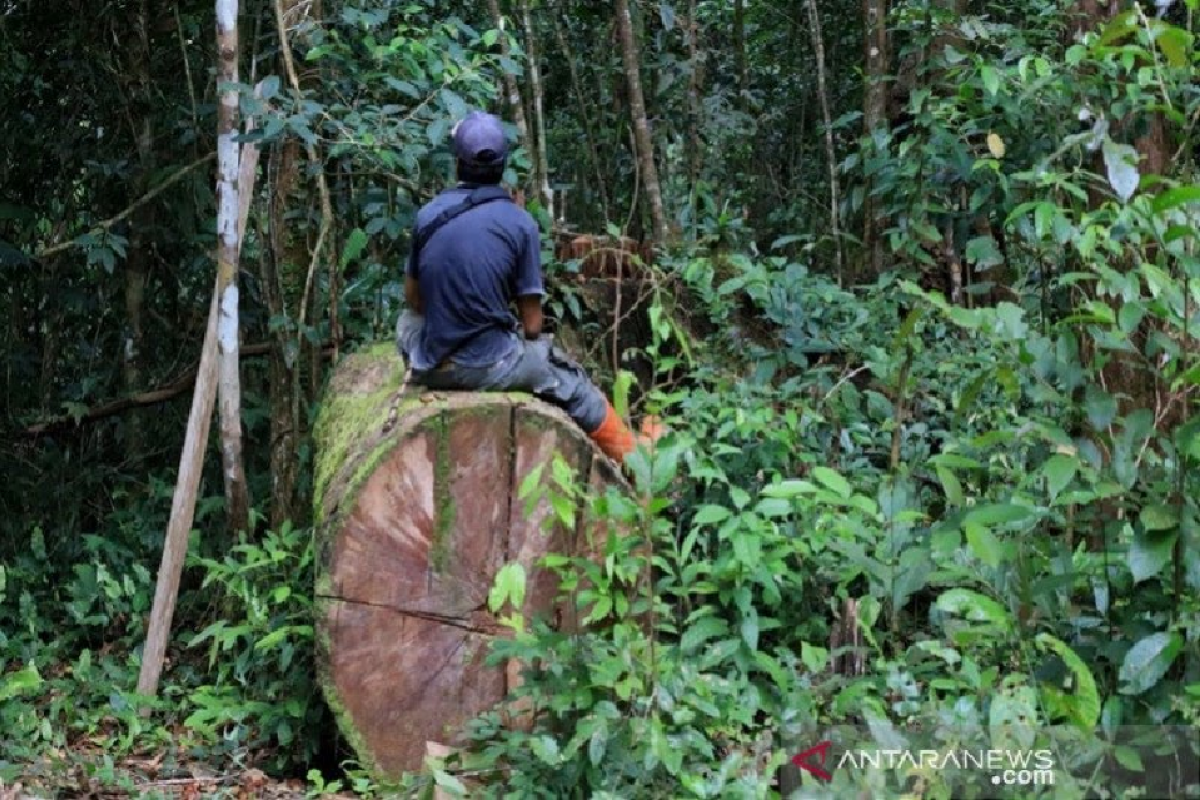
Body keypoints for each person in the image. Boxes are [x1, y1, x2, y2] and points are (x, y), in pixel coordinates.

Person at [396, 111, 654, 463]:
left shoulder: (428, 215)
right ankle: (636, 460)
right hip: (488, 366)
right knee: (571, 382)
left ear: (457, 165)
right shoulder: (520, 223)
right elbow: (533, 325)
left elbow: (414, 300)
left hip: (431, 364)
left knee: (406, 323)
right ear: (503, 168)